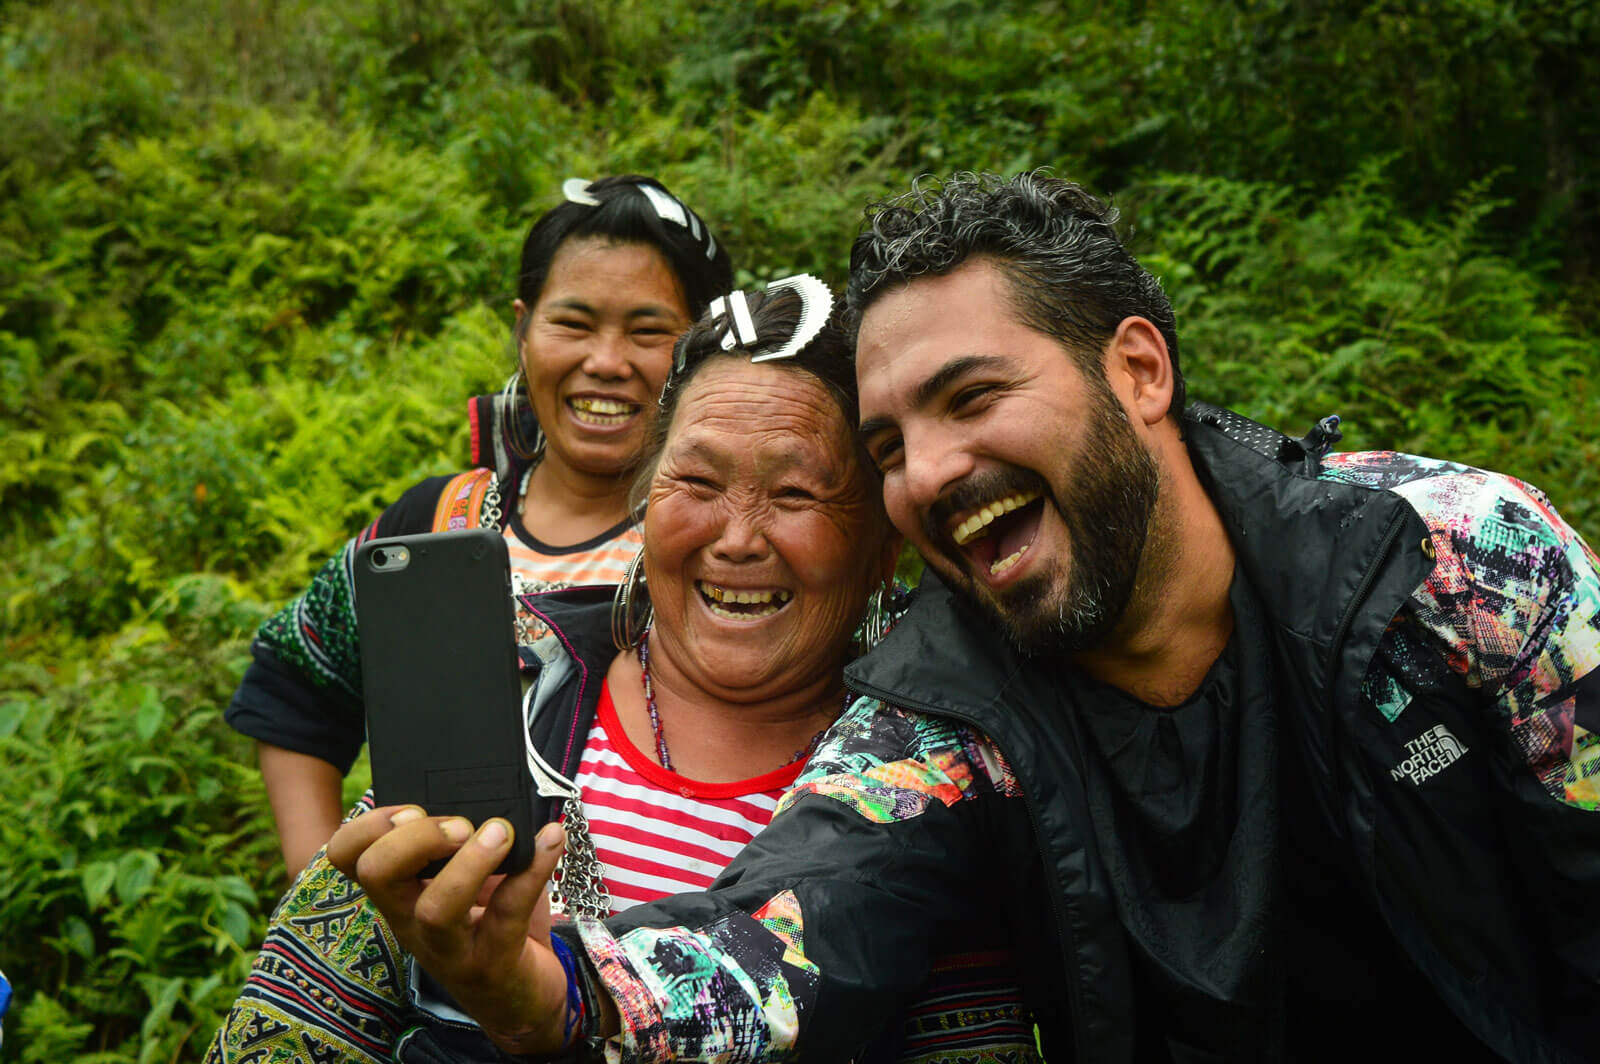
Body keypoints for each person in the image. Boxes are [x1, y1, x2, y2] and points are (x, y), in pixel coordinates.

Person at [330, 171, 1600, 1063]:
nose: (929, 472)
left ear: (1138, 370)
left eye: (973, 395)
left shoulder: (1448, 561)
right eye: (889, 441)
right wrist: (546, 985)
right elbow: (785, 938)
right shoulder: (945, 712)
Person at [207, 278, 1043, 1063]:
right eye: (697, 480)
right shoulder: (513, 700)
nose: (738, 538)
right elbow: (286, 1030)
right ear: (645, 500)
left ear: (882, 542)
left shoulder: (935, 777)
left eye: (795, 494)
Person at [226, 175, 732, 873]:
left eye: (649, 332)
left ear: (706, 347)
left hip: (631, 971)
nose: (607, 362)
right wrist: (325, 886)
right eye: (573, 324)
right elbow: (293, 683)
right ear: (523, 329)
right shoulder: (436, 527)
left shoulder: (729, 549)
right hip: (418, 965)